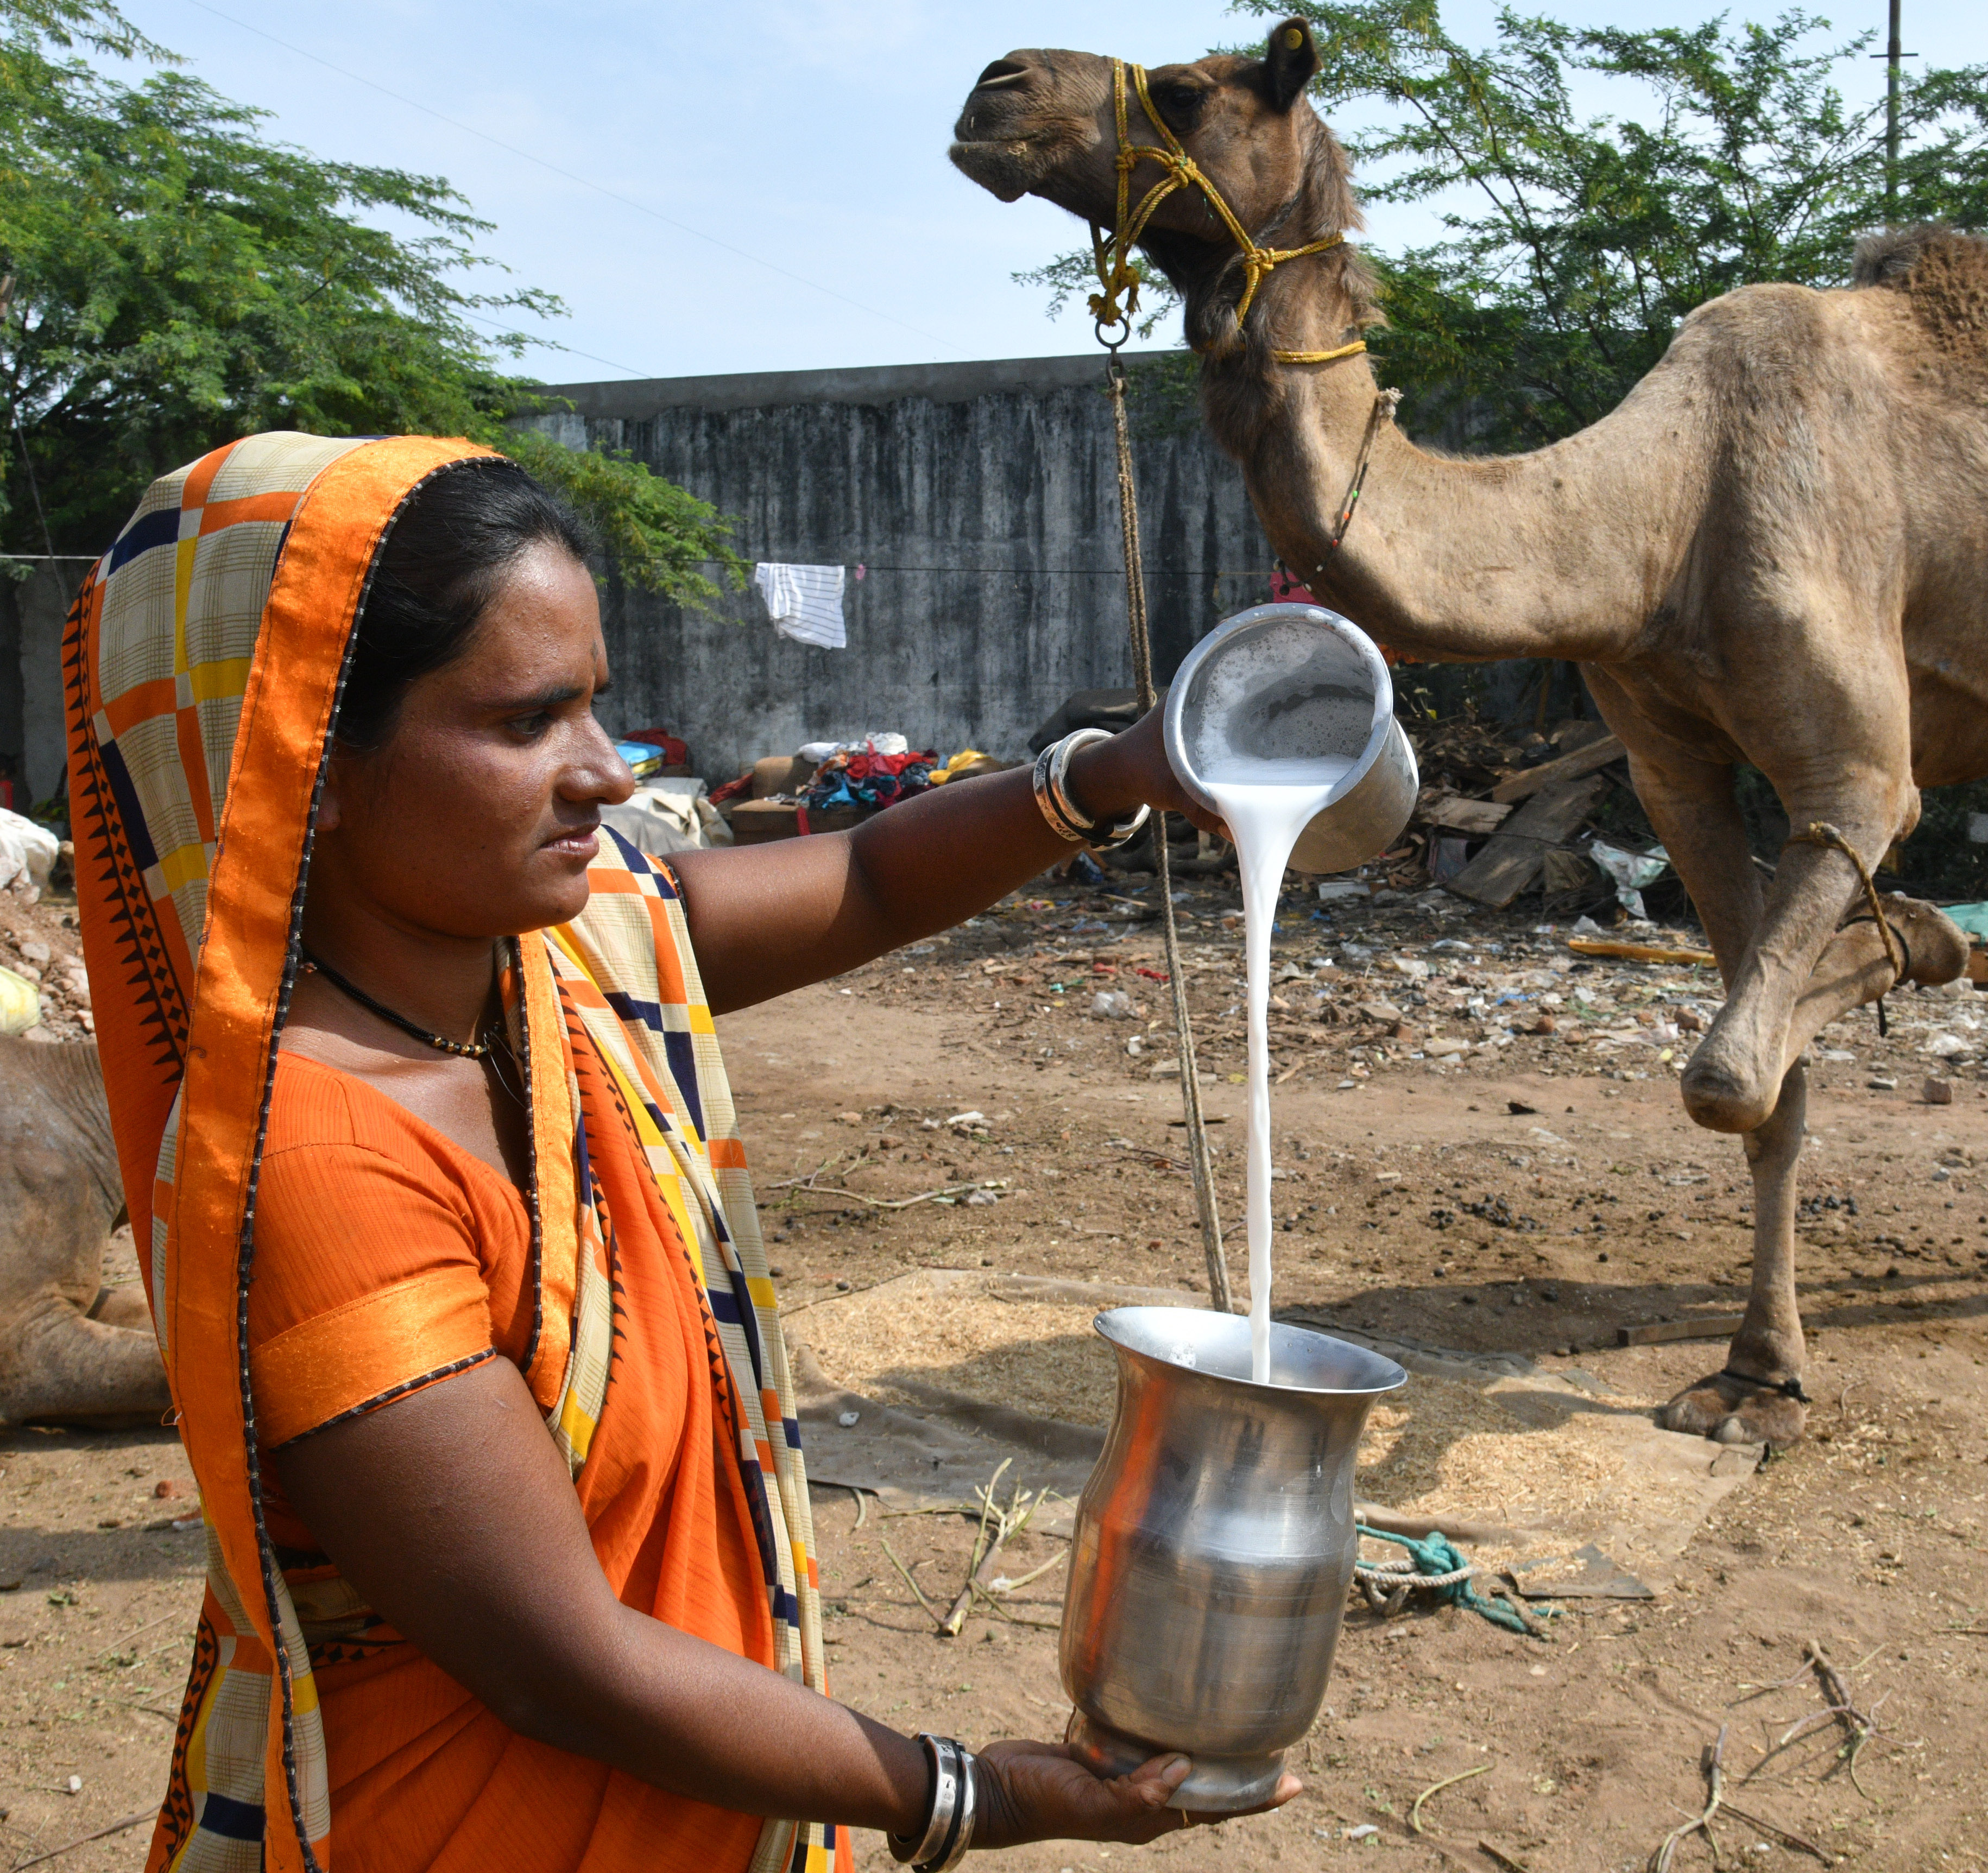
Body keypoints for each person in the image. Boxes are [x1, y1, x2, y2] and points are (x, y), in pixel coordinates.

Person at [66, 434, 1282, 1873]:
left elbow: (868, 873)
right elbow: (559, 1657)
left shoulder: (558, 962)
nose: (604, 769)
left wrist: (1111, 773)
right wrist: (969, 1793)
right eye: (527, 721)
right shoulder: (321, 1162)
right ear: (306, 766)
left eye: (595, 704)